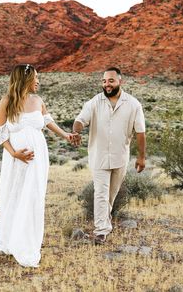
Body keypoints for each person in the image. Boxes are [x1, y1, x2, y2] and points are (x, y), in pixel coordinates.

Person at [0, 64, 77, 267]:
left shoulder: (38, 100)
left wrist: (66, 135)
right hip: (16, 160)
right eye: (36, 77)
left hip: (37, 160)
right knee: (14, 195)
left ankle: (27, 242)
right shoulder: (7, 102)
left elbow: (47, 121)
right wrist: (14, 153)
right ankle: (11, 239)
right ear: (26, 78)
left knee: (33, 197)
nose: (39, 81)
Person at [72, 67, 146, 244]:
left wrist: (141, 157)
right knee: (101, 194)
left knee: (111, 196)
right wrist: (76, 131)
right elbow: (80, 120)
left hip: (120, 157)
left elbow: (140, 133)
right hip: (98, 157)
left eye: (111, 81)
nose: (107, 84)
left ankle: (105, 223)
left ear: (120, 82)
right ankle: (101, 232)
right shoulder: (94, 103)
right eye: (104, 81)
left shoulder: (133, 104)